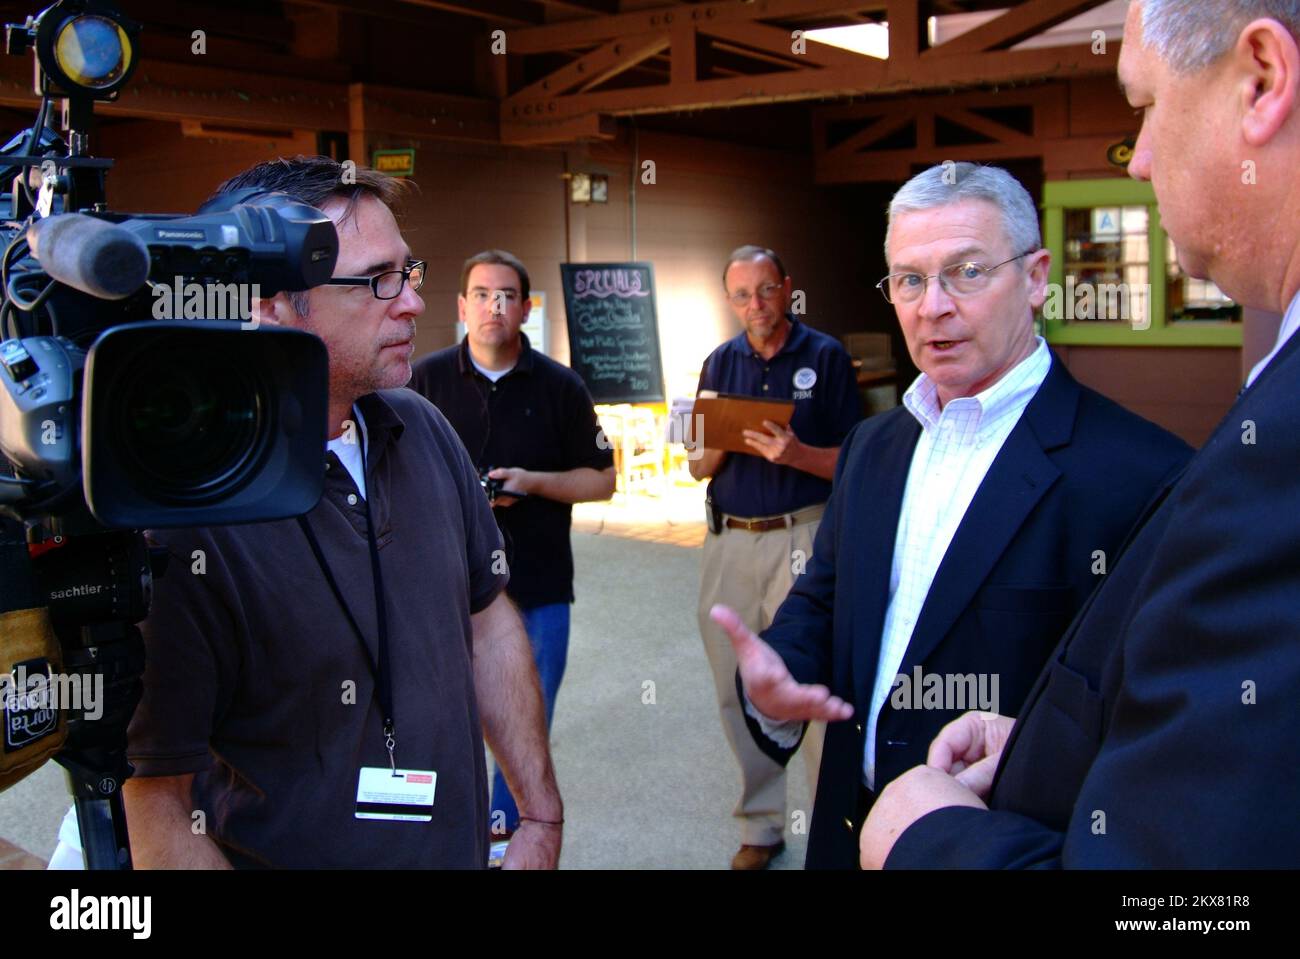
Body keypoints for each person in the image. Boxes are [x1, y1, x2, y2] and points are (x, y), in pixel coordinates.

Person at [861, 0, 1300, 869]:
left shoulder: (1226, 459)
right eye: (908, 281)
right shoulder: (875, 445)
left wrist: (929, 840)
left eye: (1142, 106)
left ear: (1261, 79)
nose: (1135, 157)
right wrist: (1056, 751)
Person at [712, 164, 1192, 869]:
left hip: (997, 846)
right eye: (908, 279)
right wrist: (780, 670)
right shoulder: (874, 446)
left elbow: (1160, 733)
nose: (931, 306)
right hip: (850, 832)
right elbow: (828, 594)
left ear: (1035, 277)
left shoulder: (1141, 476)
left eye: (966, 272)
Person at [122, 157, 563, 869]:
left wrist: (539, 814)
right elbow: (156, 802)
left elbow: (487, 622)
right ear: (269, 303)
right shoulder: (185, 512)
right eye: (376, 281)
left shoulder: (421, 425)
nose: (414, 303)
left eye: (408, 273)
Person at [408, 249, 615, 842]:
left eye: (505, 295)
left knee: (524, 726)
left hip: (539, 589)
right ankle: (450, 833)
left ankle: (503, 838)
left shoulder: (563, 387)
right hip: (440, 590)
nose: (492, 306)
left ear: (526, 308)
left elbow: (602, 479)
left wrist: (533, 483)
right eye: (480, 294)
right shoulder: (422, 382)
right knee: (440, 718)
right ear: (461, 306)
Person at [691, 245, 861, 869]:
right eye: (741, 295)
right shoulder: (718, 362)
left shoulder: (827, 356)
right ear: (729, 299)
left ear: (787, 287)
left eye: (766, 290)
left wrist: (797, 456)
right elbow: (695, 461)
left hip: (805, 538)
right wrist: (719, 443)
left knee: (809, 682)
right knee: (738, 688)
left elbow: (853, 460)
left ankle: (828, 832)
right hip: (729, 541)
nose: (755, 306)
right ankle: (760, 827)